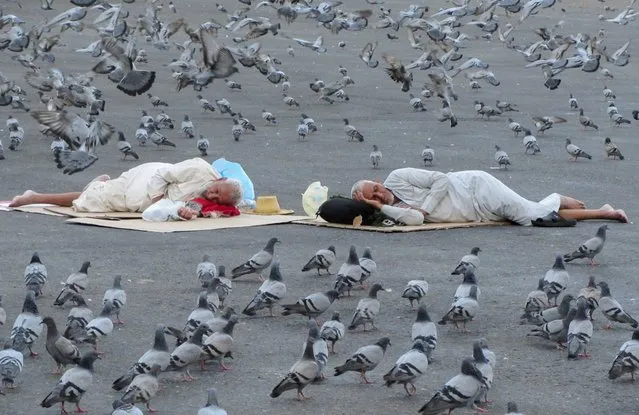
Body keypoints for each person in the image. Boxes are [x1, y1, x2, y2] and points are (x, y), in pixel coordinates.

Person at [351, 168, 628, 226]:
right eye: (372, 197)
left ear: (377, 181)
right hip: (475, 212)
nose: (379, 194)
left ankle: (559, 198)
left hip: (475, 187)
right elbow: (414, 221)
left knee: (531, 218)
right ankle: (603, 212)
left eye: (375, 188)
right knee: (538, 217)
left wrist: (425, 208)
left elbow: (442, 179)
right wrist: (380, 207)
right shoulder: (393, 210)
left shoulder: (398, 177)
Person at [9, 158, 243, 221]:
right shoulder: (199, 168)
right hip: (147, 181)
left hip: (148, 190)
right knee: (87, 202)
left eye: (217, 198)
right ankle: (32, 197)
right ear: (218, 180)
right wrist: (157, 202)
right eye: (215, 190)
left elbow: (193, 204)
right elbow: (163, 176)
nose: (211, 195)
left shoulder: (210, 201)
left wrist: (186, 211)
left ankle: (99, 184)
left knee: (92, 196)